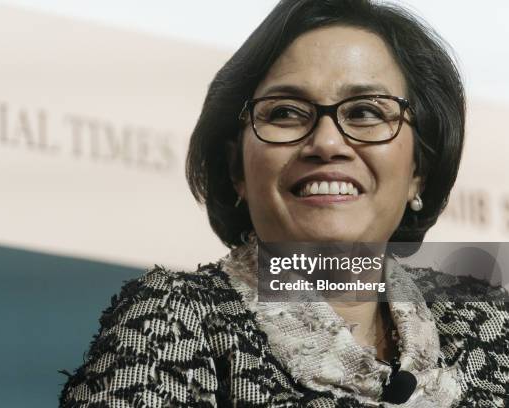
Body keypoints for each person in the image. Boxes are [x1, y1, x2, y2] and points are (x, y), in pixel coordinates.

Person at [59, 0, 509, 406]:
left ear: (418, 172)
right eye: (285, 113)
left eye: (367, 111)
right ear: (237, 169)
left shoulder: (487, 327)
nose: (327, 143)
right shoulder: (176, 321)